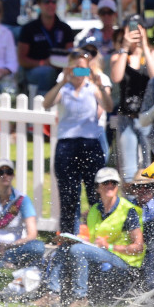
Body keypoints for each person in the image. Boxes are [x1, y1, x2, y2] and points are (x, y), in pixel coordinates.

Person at [35, 167, 143, 307]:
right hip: (102, 257)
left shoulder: (129, 211)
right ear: (98, 188)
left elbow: (138, 247)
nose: (110, 185)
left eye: (113, 183)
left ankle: (81, 298)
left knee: (78, 250)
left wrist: (109, 246)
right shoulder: (94, 210)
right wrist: (81, 240)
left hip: (125, 264)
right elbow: (95, 241)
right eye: (106, 183)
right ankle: (52, 294)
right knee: (65, 248)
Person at [43, 49, 113, 234]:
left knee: (94, 192)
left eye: (83, 68)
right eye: (76, 68)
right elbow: (46, 103)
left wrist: (99, 85)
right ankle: (67, 236)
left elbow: (108, 106)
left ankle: (100, 235)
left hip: (90, 142)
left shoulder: (93, 86)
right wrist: (64, 81)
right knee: (68, 193)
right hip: (67, 143)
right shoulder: (63, 87)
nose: (79, 72)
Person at [0, 159, 45, 269]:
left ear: (13, 175)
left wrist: (8, 246)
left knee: (38, 247)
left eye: (9, 172)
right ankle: (4, 263)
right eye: (0, 172)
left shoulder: (22, 199)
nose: (5, 175)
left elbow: (32, 234)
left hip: (14, 246)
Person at [109, 24, 154, 181]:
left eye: (139, 32)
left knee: (150, 168)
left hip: (148, 118)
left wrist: (144, 45)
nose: (135, 36)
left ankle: (150, 204)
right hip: (127, 117)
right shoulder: (120, 57)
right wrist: (124, 46)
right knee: (128, 170)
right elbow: (116, 78)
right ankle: (131, 203)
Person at [18, 0, 76, 97]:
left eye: (53, 2)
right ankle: (44, 107)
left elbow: (71, 56)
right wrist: (43, 63)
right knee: (47, 72)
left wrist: (61, 63)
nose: (50, 5)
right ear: (39, 4)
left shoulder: (65, 28)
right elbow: (22, 60)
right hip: (37, 70)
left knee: (85, 72)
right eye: (46, 1)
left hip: (63, 68)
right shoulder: (29, 28)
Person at [127, 171, 154, 290]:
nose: (143, 189)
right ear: (134, 189)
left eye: (148, 186)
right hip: (133, 251)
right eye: (138, 187)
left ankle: (152, 286)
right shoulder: (128, 207)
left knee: (153, 232)